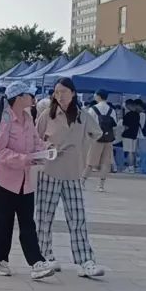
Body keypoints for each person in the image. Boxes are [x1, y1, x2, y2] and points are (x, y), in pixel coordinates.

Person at [34, 78, 105, 278]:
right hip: (49, 171)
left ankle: (85, 260)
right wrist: (47, 147)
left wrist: (82, 148)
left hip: (73, 173)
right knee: (44, 217)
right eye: (57, 92)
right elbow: (35, 138)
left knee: (77, 217)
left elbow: (97, 133)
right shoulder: (47, 115)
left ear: (73, 93)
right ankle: (45, 256)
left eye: (64, 91)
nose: (60, 96)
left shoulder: (83, 116)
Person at [0, 82, 55, 280]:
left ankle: (36, 262)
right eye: (29, 95)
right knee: (2, 223)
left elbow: (35, 141)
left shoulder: (28, 117)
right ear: (18, 98)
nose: (33, 98)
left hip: (26, 180)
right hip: (4, 180)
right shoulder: (5, 119)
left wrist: (45, 149)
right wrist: (24, 159)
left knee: (27, 222)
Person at [85, 90, 117, 193]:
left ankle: (82, 181)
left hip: (95, 138)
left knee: (90, 162)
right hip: (108, 139)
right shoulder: (111, 110)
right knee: (105, 163)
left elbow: (88, 124)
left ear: (98, 96)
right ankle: (101, 185)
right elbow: (114, 126)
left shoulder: (93, 109)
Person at [121, 100, 141, 173]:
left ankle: (130, 167)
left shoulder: (127, 115)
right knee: (133, 151)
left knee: (129, 151)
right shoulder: (137, 114)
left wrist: (122, 132)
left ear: (128, 105)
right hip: (134, 135)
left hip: (127, 135)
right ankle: (134, 166)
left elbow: (125, 126)